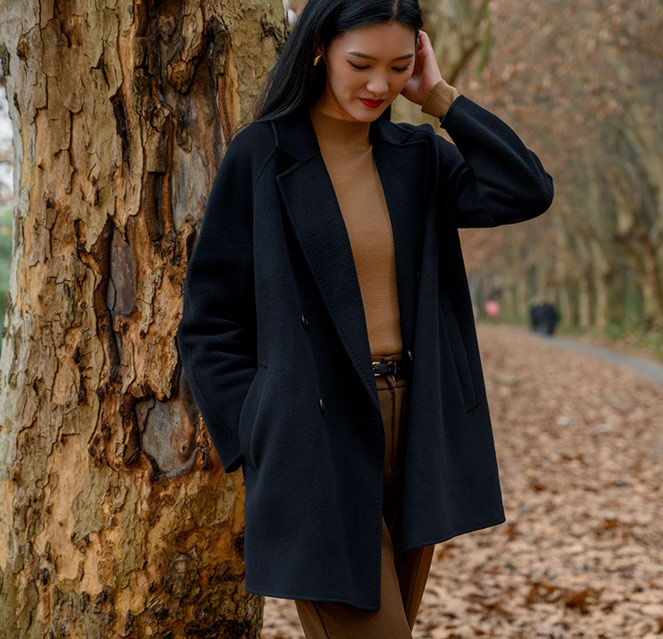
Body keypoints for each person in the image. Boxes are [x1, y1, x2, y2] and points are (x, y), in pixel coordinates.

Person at [176, 1, 553, 637]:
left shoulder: (419, 157)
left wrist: (439, 98)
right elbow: (209, 319)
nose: (380, 85)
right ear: (319, 47)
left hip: (418, 424)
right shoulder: (263, 154)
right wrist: (260, 428)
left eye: (399, 66)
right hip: (312, 433)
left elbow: (525, 190)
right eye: (361, 64)